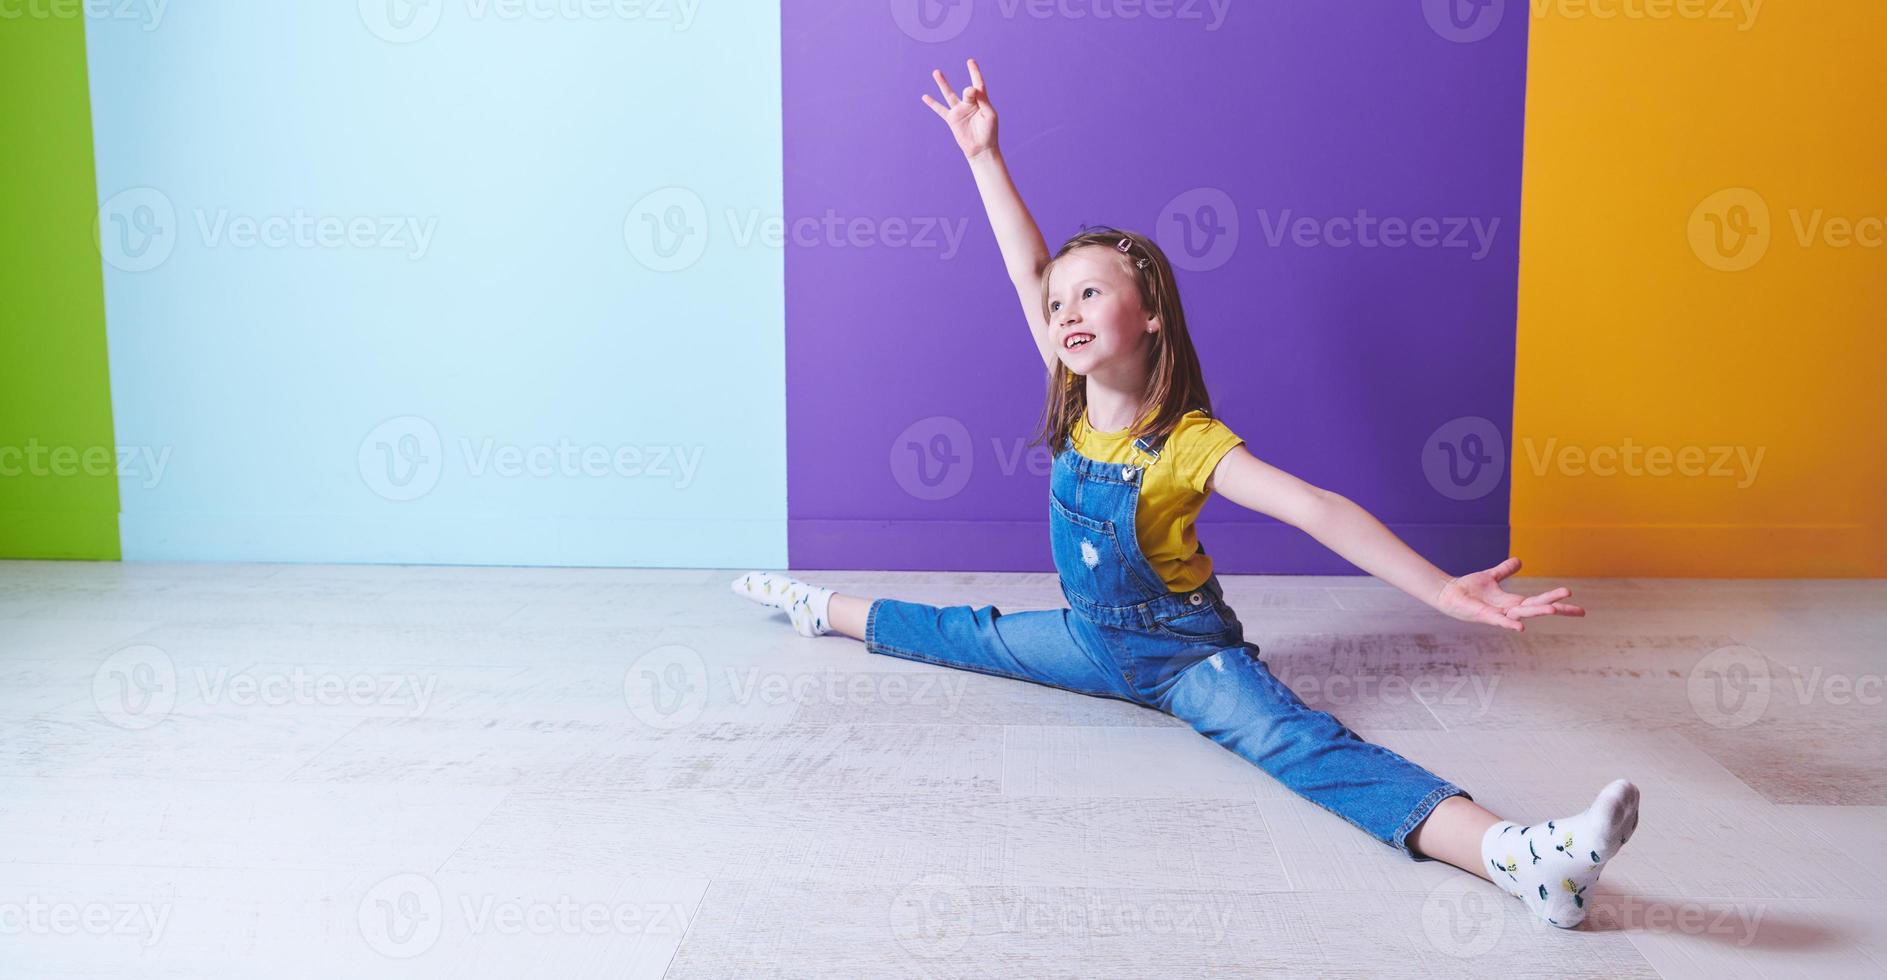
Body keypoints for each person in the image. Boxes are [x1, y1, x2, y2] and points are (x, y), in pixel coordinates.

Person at [733, 58, 1637, 930]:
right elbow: (1024, 265)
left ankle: (1521, 856)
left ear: (1150, 313)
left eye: (1091, 294)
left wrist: (1442, 590)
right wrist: (981, 156)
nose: (1066, 312)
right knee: (967, 635)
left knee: (1301, 747)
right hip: (1089, 640)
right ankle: (817, 605)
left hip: (1185, 659)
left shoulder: (1190, 442)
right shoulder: (1068, 391)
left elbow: (1315, 507)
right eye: (1059, 305)